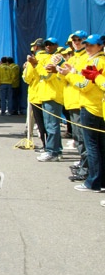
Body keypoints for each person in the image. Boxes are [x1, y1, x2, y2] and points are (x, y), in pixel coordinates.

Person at [59, 34, 105, 192]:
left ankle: (93, 181)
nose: (87, 47)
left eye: (91, 45)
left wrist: (69, 75)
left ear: (100, 46)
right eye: (86, 45)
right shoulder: (97, 60)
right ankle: (99, 180)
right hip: (96, 106)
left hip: (91, 106)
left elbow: (84, 84)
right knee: (99, 146)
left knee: (92, 146)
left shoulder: (96, 61)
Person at [60, 31, 89, 181]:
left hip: (81, 102)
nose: (76, 42)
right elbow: (64, 78)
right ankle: (84, 165)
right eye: (74, 40)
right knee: (78, 138)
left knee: (84, 139)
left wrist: (69, 74)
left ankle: (86, 169)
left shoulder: (86, 59)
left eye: (79, 40)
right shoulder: (74, 58)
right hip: (71, 101)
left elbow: (83, 81)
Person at [33, 37, 65, 162]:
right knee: (50, 124)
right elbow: (41, 72)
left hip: (53, 95)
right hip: (46, 94)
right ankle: (57, 149)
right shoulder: (46, 57)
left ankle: (52, 151)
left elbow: (46, 75)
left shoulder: (57, 58)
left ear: (56, 45)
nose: (48, 46)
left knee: (51, 125)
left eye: (51, 44)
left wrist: (36, 65)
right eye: (46, 44)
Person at [23, 38, 48, 151]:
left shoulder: (33, 60)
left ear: (36, 48)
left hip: (36, 94)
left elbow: (27, 78)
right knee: (51, 123)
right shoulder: (50, 58)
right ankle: (54, 146)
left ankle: (46, 145)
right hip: (49, 94)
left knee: (40, 122)